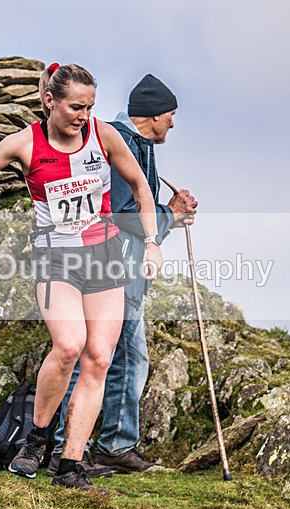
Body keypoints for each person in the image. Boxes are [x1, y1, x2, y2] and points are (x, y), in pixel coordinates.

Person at [0, 63, 163, 493]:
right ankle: (37, 437)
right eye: (74, 107)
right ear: (50, 101)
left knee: (99, 359)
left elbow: (140, 186)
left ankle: (70, 466)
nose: (82, 115)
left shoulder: (103, 135)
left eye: (89, 107)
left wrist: (153, 241)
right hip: (56, 259)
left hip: (103, 256)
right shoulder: (23, 143)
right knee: (69, 346)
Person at [49, 74, 198, 475]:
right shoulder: (120, 143)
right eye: (170, 115)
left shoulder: (134, 144)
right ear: (152, 116)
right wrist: (172, 215)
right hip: (114, 270)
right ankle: (102, 446)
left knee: (100, 357)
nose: (172, 123)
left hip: (108, 267)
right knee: (123, 358)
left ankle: (78, 448)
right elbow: (118, 211)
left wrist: (166, 212)